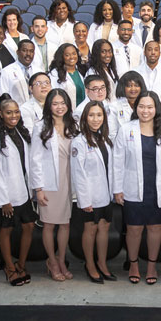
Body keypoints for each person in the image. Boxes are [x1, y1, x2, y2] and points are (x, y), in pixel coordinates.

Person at [113, 91, 161, 285]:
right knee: (134, 229)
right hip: (132, 186)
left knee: (155, 228)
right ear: (135, 108)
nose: (145, 110)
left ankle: (151, 266)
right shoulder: (126, 130)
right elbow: (117, 161)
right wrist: (117, 188)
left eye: (149, 107)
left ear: (156, 108)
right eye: (141, 106)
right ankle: (133, 264)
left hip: (157, 188)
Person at [31, 88, 79, 281]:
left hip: (69, 180)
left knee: (65, 224)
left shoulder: (74, 124)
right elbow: (34, 159)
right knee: (50, 224)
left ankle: (61, 260)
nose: (60, 107)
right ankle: (51, 261)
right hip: (50, 182)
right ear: (49, 106)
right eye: (55, 103)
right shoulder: (40, 127)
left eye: (63, 103)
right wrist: (38, 189)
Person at [0, 96, 36, 286]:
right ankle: (9, 267)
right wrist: (4, 200)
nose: (13, 115)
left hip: (22, 191)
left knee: (29, 226)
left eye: (16, 112)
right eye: (9, 112)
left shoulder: (21, 132)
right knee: (6, 230)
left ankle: (21, 263)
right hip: (7, 195)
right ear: (0, 114)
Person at [71, 101, 116, 283]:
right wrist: (84, 200)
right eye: (91, 115)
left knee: (104, 227)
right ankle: (90, 265)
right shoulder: (79, 142)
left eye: (99, 115)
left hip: (106, 195)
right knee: (90, 229)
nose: (95, 119)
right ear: (84, 118)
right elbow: (78, 173)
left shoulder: (105, 139)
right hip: (90, 196)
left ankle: (102, 264)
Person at [136, 41, 161, 114]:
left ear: (160, 53)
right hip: (140, 114)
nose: (153, 52)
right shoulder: (136, 72)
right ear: (144, 52)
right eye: (150, 49)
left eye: (156, 50)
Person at [0, 39, 38, 106]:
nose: (28, 54)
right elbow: (3, 96)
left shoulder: (39, 71)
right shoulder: (6, 71)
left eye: (31, 51)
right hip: (15, 112)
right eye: (24, 50)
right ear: (17, 52)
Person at [49, 43, 86, 110]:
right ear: (62, 57)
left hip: (83, 112)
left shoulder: (82, 70)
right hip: (65, 113)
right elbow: (53, 96)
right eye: (67, 55)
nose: (72, 57)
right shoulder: (54, 74)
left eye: (74, 54)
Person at [109, 70, 146, 135]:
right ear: (123, 87)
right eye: (129, 86)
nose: (133, 89)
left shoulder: (146, 104)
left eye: (136, 85)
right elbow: (111, 134)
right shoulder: (113, 107)